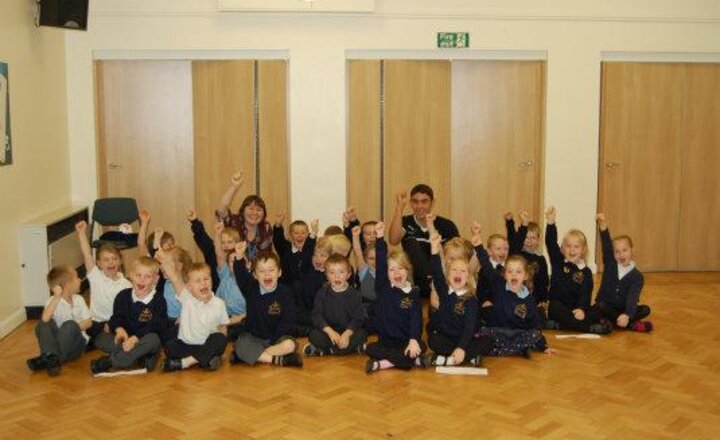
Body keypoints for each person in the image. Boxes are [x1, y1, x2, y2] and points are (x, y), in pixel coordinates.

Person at [472, 222, 553, 358]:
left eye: (518, 272)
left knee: (533, 334)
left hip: (517, 332)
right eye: (510, 272)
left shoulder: (528, 298)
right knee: (483, 334)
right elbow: (487, 266)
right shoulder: (499, 284)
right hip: (498, 330)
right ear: (504, 274)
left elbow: (535, 323)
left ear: (525, 276)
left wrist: (543, 346)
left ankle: (510, 348)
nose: (514, 275)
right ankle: (517, 349)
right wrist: (478, 245)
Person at [365, 222, 426, 373]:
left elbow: (416, 320)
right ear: (386, 273)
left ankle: (383, 364)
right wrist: (380, 238)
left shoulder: (413, 293)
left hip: (405, 341)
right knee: (370, 348)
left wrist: (413, 340)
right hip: (385, 342)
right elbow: (380, 261)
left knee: (421, 346)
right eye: (392, 269)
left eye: (400, 268)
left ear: (408, 270)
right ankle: (410, 360)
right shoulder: (383, 288)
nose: (396, 273)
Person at [90, 257, 167, 374]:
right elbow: (116, 318)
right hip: (125, 338)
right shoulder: (122, 296)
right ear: (131, 275)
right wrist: (119, 329)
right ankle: (140, 356)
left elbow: (156, 325)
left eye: (148, 276)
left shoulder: (159, 300)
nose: (142, 280)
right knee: (100, 338)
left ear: (155, 279)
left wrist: (135, 339)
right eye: (138, 275)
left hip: (144, 338)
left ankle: (110, 361)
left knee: (153, 340)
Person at [231, 243, 302, 367]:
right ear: (254, 275)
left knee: (290, 345)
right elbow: (241, 275)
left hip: (277, 339)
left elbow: (288, 321)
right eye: (262, 271)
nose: (267, 274)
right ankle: (277, 360)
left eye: (271, 270)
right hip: (254, 338)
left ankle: (250, 356)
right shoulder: (250, 289)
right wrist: (239, 256)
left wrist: (274, 342)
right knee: (240, 344)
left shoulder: (286, 293)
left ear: (279, 272)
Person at [426, 231, 489, 367]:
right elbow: (437, 272)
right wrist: (434, 249)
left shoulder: (471, 299)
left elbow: (469, 327)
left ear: (468, 276)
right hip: (447, 337)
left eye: (463, 271)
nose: (458, 274)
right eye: (454, 270)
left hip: (466, 338)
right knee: (433, 340)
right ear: (448, 275)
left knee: (487, 341)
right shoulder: (444, 291)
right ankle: (467, 358)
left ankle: (447, 359)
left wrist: (461, 347)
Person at [545, 206, 612, 334]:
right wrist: (550, 222)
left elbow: (585, 294)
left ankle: (559, 326)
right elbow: (550, 242)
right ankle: (588, 328)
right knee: (554, 306)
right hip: (559, 308)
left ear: (583, 250)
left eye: (576, 247)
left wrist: (581, 309)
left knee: (600, 307)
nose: (572, 250)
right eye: (568, 246)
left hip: (576, 310)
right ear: (563, 248)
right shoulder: (558, 261)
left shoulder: (585, 272)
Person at [388, 185, 459, 298]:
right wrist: (399, 208)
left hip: (440, 277)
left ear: (432, 202)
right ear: (411, 203)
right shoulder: (406, 222)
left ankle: (432, 281)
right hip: (414, 279)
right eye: (415, 202)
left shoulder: (446, 225)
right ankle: (429, 280)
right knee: (411, 242)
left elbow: (457, 255)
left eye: (424, 201)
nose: (420, 206)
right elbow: (393, 240)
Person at [161, 259, 229, 372]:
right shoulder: (187, 299)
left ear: (211, 281)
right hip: (187, 345)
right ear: (188, 287)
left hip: (207, 343)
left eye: (206, 279)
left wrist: (221, 349)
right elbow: (174, 277)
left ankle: (184, 363)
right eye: (198, 281)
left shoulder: (219, 303)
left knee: (220, 339)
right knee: (169, 347)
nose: (203, 283)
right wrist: (163, 258)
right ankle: (207, 359)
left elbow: (222, 328)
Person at [75, 220, 131, 347]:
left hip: (115, 324)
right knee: (109, 343)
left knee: (125, 337)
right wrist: (81, 233)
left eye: (114, 259)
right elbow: (87, 254)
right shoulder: (96, 277)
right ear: (99, 263)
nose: (111, 263)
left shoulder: (126, 284)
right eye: (106, 260)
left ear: (120, 261)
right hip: (96, 324)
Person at [593, 214, 653, 332]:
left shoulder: (637, 276)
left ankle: (616, 321)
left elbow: (633, 297)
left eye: (625, 250)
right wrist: (603, 227)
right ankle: (631, 325)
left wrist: (628, 314)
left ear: (632, 250)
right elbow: (606, 246)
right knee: (599, 307)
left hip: (623, 309)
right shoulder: (611, 264)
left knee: (646, 309)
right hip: (606, 306)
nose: (621, 254)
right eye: (617, 252)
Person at [27, 266, 91, 376]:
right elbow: (45, 319)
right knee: (43, 325)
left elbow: (89, 322)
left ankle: (47, 358)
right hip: (58, 341)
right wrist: (57, 297)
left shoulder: (79, 299)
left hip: (76, 344)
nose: (80, 279)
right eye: (76, 277)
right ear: (67, 284)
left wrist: (71, 329)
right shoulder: (53, 300)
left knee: (70, 325)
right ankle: (52, 361)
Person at [304, 254, 368, 356]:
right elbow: (317, 316)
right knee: (313, 335)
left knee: (362, 333)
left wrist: (347, 334)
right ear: (327, 275)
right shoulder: (322, 293)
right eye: (332, 272)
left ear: (348, 275)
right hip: (329, 332)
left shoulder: (355, 294)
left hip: (348, 331)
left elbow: (358, 317)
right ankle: (349, 349)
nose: (337, 276)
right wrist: (330, 332)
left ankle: (328, 350)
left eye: (341, 272)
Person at [216, 171, 273, 262]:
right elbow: (221, 211)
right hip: (233, 272)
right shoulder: (234, 222)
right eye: (250, 208)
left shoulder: (265, 228)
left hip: (258, 273)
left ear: (264, 214)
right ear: (242, 210)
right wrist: (234, 187)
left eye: (259, 210)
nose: (254, 213)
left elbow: (267, 256)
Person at [505, 211, 550, 308]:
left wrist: (544, 299)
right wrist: (510, 222)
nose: (529, 241)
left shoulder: (541, 259)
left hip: (535, 300)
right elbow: (512, 238)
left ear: (538, 240)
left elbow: (544, 281)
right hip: (515, 297)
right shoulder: (517, 253)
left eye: (533, 238)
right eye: (526, 237)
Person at [273, 212, 318, 289]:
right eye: (296, 233)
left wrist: (314, 232)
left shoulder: (311, 250)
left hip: (306, 290)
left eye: (303, 233)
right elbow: (278, 239)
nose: (299, 236)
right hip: (287, 288)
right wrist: (278, 225)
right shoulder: (285, 249)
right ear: (290, 235)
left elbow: (310, 245)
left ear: (308, 235)